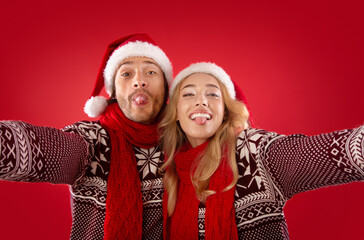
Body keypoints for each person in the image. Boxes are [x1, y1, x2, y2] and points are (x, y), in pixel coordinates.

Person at [159, 62, 364, 240]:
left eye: (213, 94)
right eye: (188, 94)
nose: (201, 101)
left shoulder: (253, 151)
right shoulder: (171, 173)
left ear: (226, 111)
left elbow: (327, 151)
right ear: (175, 112)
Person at [0, 33, 173, 240]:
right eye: (126, 74)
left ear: (165, 87)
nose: (139, 81)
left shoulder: (186, 141)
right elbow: (42, 148)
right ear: (114, 92)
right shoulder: (92, 140)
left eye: (151, 72)